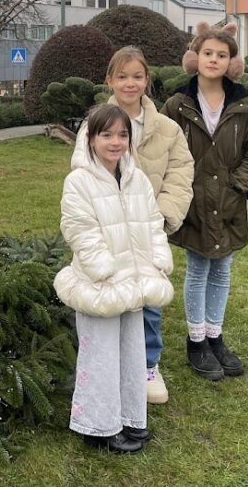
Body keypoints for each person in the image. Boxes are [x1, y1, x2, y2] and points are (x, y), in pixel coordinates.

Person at [72, 47, 193, 404]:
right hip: (107, 227)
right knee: (110, 294)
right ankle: (110, 364)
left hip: (147, 228)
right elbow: (82, 172)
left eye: (137, 76)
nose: (130, 83)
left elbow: (182, 173)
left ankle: (147, 364)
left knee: (148, 298)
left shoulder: (167, 129)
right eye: (122, 76)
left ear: (146, 81)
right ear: (110, 80)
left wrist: (161, 214)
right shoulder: (94, 124)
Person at [56, 104, 175, 453]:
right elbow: (79, 229)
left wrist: (157, 260)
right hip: (101, 285)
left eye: (122, 135)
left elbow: (151, 223)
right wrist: (104, 270)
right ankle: (97, 427)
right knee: (101, 357)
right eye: (106, 134)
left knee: (130, 353)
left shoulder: (136, 178)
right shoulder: (79, 181)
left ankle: (127, 418)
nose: (115, 142)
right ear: (91, 138)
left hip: (134, 283)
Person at [163, 23, 248, 381]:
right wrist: (178, 191)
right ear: (195, 58)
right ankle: (196, 341)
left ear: (232, 62)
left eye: (221, 55)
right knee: (197, 270)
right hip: (192, 202)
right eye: (208, 53)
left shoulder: (245, 104)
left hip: (228, 202)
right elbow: (162, 150)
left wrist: (239, 185)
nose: (214, 60)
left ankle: (215, 336)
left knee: (221, 271)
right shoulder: (178, 103)